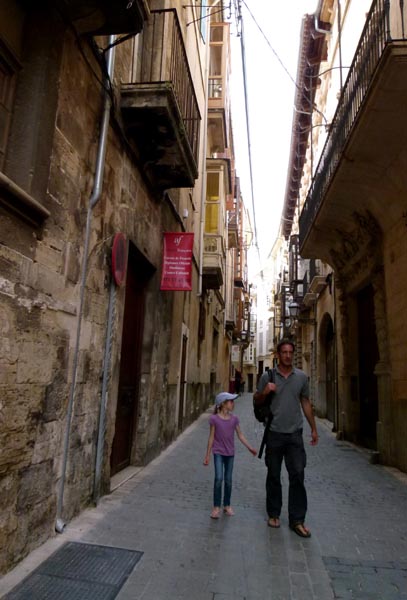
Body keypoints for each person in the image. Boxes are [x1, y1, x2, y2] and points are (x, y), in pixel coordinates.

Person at [253, 339, 318, 538]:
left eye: (291, 352)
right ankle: (274, 514)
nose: (288, 356)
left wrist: (313, 428)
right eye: (284, 352)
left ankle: (297, 520)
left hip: (295, 434)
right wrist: (265, 392)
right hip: (273, 433)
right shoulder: (267, 376)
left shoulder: (301, 377)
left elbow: (305, 402)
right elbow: (257, 400)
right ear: (278, 355)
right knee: (273, 475)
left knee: (298, 475)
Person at [203, 391, 257, 519]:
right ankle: (216, 507)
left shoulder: (234, 419)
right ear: (223, 404)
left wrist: (250, 447)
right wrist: (207, 455)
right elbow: (211, 437)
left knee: (228, 480)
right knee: (218, 478)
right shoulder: (214, 419)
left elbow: (240, 435)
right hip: (218, 452)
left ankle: (227, 505)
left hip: (230, 453)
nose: (233, 404)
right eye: (231, 401)